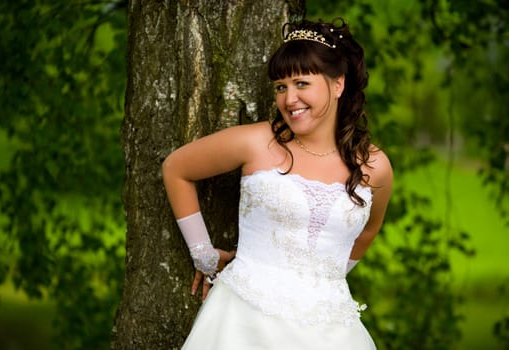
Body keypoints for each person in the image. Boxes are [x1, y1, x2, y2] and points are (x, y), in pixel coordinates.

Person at [162, 17, 393, 350]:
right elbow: (176, 169)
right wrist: (203, 256)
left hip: (331, 331)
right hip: (243, 320)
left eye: (302, 83)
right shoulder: (256, 143)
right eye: (281, 87)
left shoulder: (374, 167)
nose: (289, 99)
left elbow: (368, 231)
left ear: (338, 84)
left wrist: (324, 278)